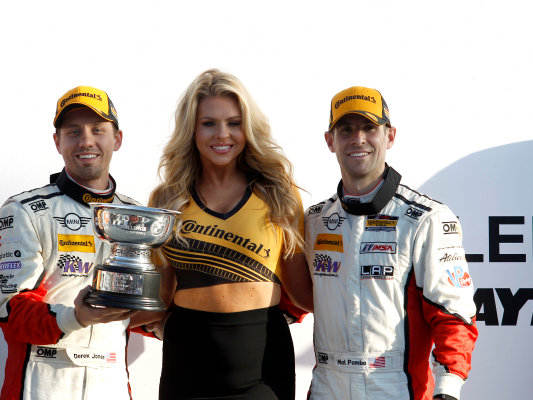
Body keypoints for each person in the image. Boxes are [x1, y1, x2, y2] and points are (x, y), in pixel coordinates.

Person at [302, 86, 478, 400]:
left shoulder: (426, 219)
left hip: (396, 387)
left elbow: (453, 316)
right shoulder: (314, 222)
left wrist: (448, 390)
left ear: (390, 136)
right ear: (330, 141)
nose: (358, 139)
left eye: (370, 128)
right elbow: (287, 302)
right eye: (346, 129)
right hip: (327, 386)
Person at [147, 69, 309, 399]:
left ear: (247, 127)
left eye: (234, 123)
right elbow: (159, 298)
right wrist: (99, 306)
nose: (223, 134)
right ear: (191, 129)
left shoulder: (278, 193)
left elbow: (303, 293)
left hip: (262, 365)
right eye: (209, 123)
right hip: (186, 362)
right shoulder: (166, 199)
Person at [0, 86, 159, 399]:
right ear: (58, 142)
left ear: (117, 139)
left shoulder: (138, 217)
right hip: (42, 378)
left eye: (98, 130)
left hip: (111, 381)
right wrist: (78, 316)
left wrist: (170, 322)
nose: (86, 141)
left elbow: (137, 308)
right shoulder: (24, 211)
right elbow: (10, 314)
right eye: (73, 131)